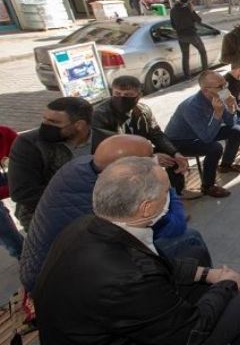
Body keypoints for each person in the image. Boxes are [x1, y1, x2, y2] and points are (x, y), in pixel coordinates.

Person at [33, 156, 240, 345]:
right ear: (146, 207)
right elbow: (190, 332)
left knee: (194, 253)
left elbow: (154, 263)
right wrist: (226, 285)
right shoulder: (129, 276)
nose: (171, 196)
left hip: (91, 332)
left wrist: (208, 275)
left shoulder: (83, 226)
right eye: (167, 192)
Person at [19, 134, 210, 293]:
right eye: (150, 157)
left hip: (40, 268)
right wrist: (161, 183)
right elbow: (175, 224)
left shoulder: (82, 165)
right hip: (61, 282)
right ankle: (188, 296)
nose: (155, 159)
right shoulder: (124, 192)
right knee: (191, 239)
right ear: (129, 170)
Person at [8, 97, 112, 231]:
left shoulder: (108, 141)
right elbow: (22, 193)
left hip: (101, 215)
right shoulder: (28, 144)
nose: (45, 125)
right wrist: (86, 200)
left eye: (53, 122)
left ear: (79, 125)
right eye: (44, 119)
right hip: (46, 219)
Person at [92, 75, 190, 195]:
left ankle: (177, 194)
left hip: (137, 151)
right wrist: (151, 158)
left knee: (170, 156)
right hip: (115, 159)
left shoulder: (143, 110)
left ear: (139, 95)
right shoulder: (101, 115)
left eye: (128, 95)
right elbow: (114, 149)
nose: (121, 98)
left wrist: (175, 153)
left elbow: (156, 134)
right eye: (117, 94)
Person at [165, 71, 240, 198]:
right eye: (220, 87)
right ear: (205, 90)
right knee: (214, 148)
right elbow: (207, 138)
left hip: (203, 131)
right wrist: (217, 113)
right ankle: (208, 186)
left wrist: (231, 109)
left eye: (225, 84)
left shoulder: (222, 94)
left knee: (238, 131)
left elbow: (231, 123)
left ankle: (226, 165)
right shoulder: (192, 106)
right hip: (179, 140)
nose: (225, 88)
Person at [170, 0, 208, 80]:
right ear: (188, 1)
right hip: (191, 34)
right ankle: (205, 72)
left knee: (185, 55)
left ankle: (187, 76)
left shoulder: (173, 10)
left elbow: (172, 24)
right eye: (190, 1)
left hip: (181, 36)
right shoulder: (188, 9)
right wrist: (192, 10)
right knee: (202, 52)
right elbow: (199, 20)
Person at [0, 126, 23, 259]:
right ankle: (21, 254)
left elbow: (25, 157)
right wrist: (17, 187)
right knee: (13, 241)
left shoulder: (4, 133)